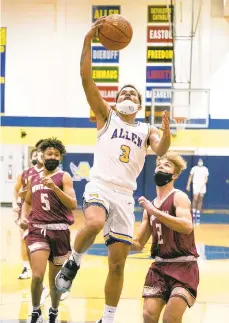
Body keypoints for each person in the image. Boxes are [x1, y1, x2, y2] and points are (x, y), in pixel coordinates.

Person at [55, 17, 171, 323]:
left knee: (118, 264)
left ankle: (107, 318)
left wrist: (167, 134)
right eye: (124, 93)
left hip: (125, 196)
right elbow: (86, 79)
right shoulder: (106, 117)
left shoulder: (146, 129)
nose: (129, 96)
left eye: (134, 94)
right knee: (92, 223)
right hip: (100, 186)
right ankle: (74, 261)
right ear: (116, 101)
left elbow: (160, 149)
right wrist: (87, 41)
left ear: (140, 104)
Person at [131, 152, 199, 323]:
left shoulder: (179, 197)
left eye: (167, 165)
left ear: (175, 175)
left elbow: (187, 226)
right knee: (148, 314)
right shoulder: (150, 207)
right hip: (160, 267)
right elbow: (138, 243)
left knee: (171, 318)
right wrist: (115, 237)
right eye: (159, 165)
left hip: (183, 265)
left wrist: (155, 212)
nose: (161, 166)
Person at [20, 138, 77, 323]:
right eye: (49, 153)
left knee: (56, 282)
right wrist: (23, 216)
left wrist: (55, 188)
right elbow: (28, 202)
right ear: (42, 155)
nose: (52, 156)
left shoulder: (64, 177)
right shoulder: (34, 178)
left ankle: (53, 310)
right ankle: (36, 310)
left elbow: (72, 204)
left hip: (59, 231)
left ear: (60, 158)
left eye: (56, 154)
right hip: (38, 230)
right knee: (37, 275)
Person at [13, 142, 44, 279]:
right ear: (32, 158)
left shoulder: (51, 174)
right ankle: (26, 268)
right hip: (26, 210)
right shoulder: (24, 173)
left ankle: (40, 266)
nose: (38, 156)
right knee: (23, 239)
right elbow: (16, 189)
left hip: (43, 211)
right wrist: (15, 204)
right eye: (35, 154)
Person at [186, 158, 209, 225]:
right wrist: (188, 185)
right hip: (196, 185)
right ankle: (193, 216)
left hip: (202, 186)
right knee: (195, 199)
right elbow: (190, 177)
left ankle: (197, 216)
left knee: (200, 200)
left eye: (201, 161)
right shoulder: (194, 168)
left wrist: (203, 183)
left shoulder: (205, 169)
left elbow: (206, 178)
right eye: (199, 161)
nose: (200, 162)